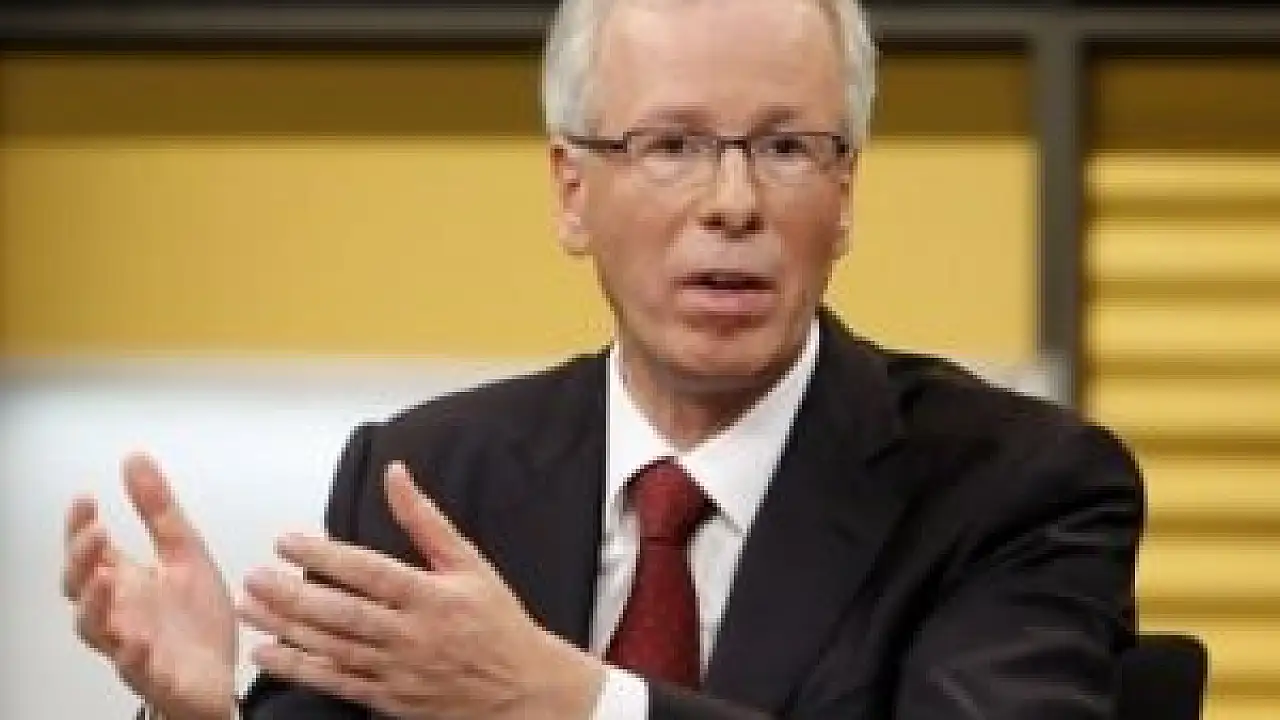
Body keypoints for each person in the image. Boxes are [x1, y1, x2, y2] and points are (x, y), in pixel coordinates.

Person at [61, 0, 1145, 718]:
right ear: (572, 192)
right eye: (672, 146)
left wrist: (575, 704)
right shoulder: (426, 479)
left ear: (846, 193)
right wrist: (198, 711)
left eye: (785, 147)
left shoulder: (1015, 489)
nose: (733, 204)